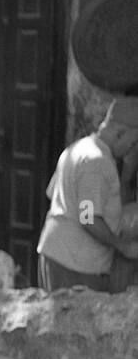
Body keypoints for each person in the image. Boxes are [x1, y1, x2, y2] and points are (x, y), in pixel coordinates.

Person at [37, 98, 138, 292]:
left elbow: (56, 196)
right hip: (74, 263)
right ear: (120, 133)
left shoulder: (78, 149)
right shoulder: (96, 162)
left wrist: (127, 172)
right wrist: (123, 246)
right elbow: (88, 217)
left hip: (58, 253)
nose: (132, 149)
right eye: (133, 142)